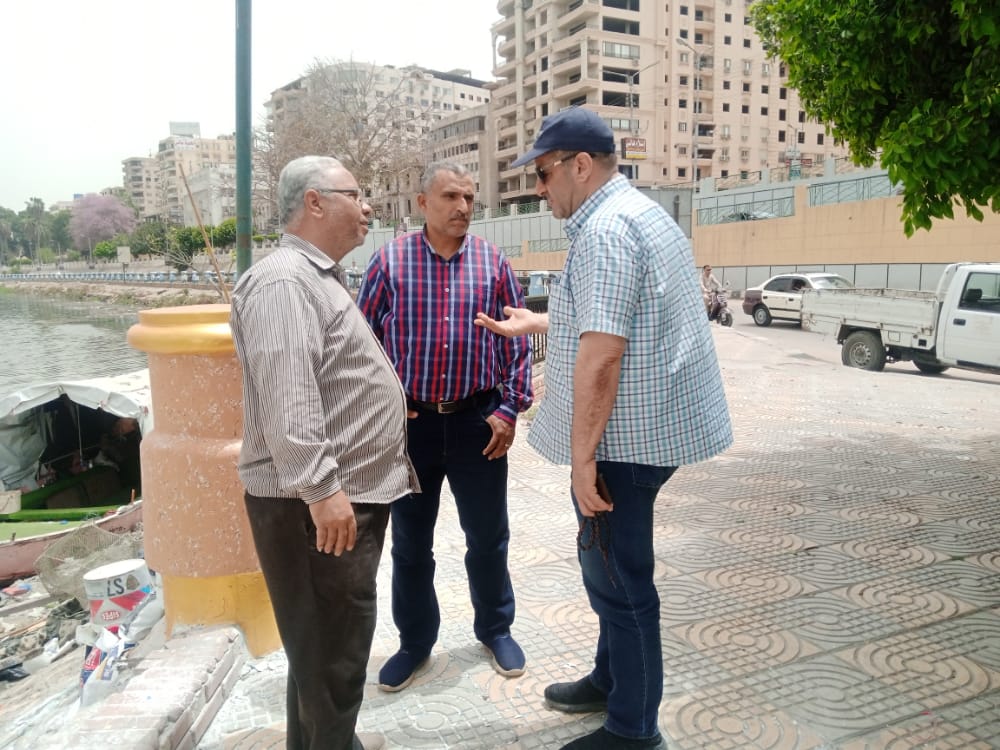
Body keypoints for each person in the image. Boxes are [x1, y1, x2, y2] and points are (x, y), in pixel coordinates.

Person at [477, 107, 733, 750]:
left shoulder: (606, 231)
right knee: (612, 570)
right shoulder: (639, 213)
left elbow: (603, 355)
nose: (539, 188)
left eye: (543, 173)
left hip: (624, 443)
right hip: (653, 429)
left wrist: (583, 460)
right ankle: (609, 680)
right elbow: (620, 314)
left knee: (619, 582)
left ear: (581, 166)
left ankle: (633, 730)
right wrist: (539, 323)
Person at [230, 155, 418, 750]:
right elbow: (290, 400)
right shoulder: (285, 282)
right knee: (334, 662)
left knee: (319, 655)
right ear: (314, 202)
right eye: (355, 194)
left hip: (331, 499)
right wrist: (322, 490)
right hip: (316, 506)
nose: (368, 206)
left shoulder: (315, 276)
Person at [356, 160, 534, 693]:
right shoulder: (389, 262)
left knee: (488, 537)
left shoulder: (493, 263)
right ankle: (415, 643)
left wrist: (509, 410)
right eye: (451, 197)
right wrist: (383, 408)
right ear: (422, 203)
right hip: (411, 429)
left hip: (479, 423)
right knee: (411, 544)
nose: (462, 207)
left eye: (469, 198)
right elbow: (362, 345)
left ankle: (495, 629)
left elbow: (518, 340)